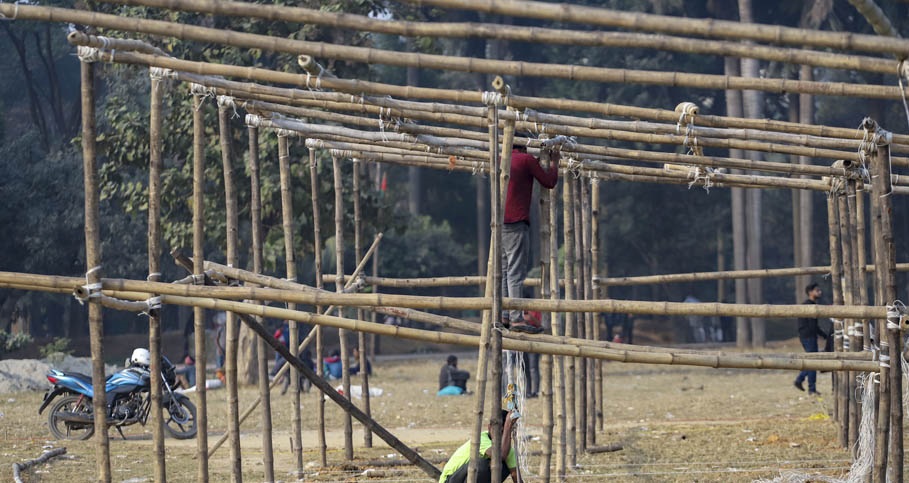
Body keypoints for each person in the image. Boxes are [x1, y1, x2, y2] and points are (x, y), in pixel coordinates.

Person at [502, 144, 559, 334]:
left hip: (498, 223)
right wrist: (554, 163)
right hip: (516, 221)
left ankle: (503, 314)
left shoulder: (502, 159)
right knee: (515, 273)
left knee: (502, 271)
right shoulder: (525, 160)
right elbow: (549, 181)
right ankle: (516, 319)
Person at [438, 409, 520, 483]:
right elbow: (499, 455)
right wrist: (507, 425)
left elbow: (515, 476)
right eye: (495, 429)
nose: (498, 434)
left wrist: (508, 429)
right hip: (450, 480)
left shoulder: (508, 450)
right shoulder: (480, 439)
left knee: (505, 466)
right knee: (483, 464)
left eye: (502, 431)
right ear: (489, 427)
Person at [794, 283, 828, 395]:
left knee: (812, 361)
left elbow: (815, 326)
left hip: (807, 336)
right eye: (817, 290)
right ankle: (810, 388)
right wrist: (820, 334)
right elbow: (811, 326)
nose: (820, 292)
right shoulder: (808, 306)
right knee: (813, 362)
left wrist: (823, 335)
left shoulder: (811, 305)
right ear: (810, 292)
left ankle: (801, 380)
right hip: (808, 336)